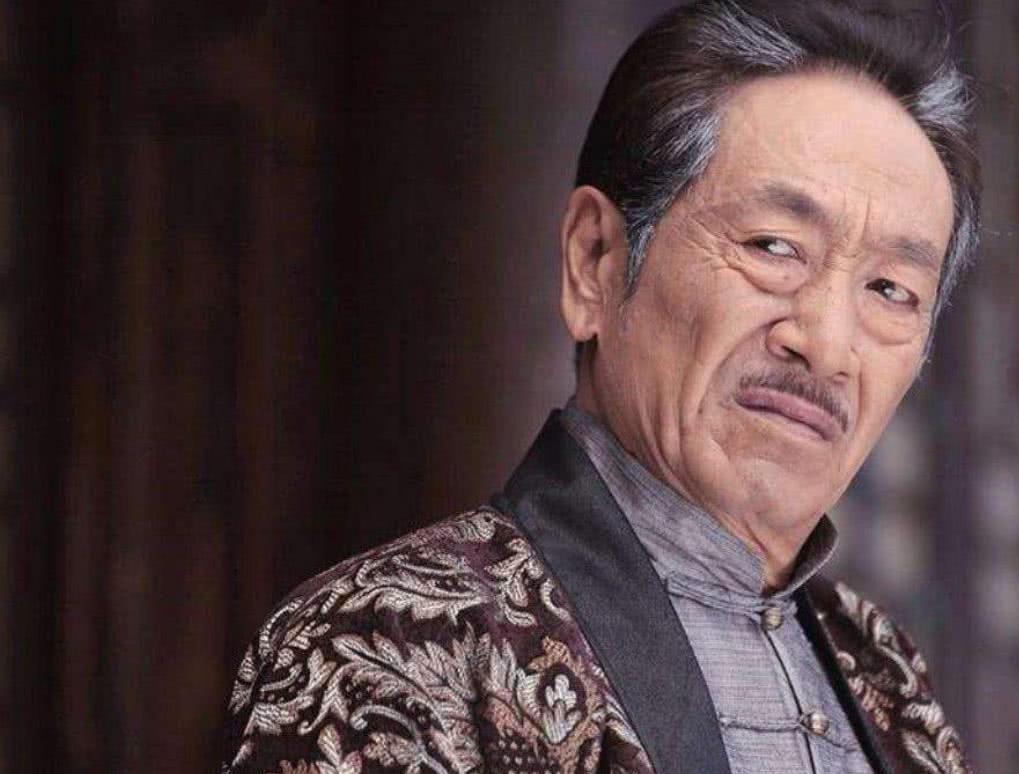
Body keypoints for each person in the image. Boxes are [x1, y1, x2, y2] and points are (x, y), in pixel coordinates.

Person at [221, 1, 980, 772]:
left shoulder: (882, 674)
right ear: (596, 262)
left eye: (890, 290)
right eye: (773, 246)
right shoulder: (384, 648)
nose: (824, 344)